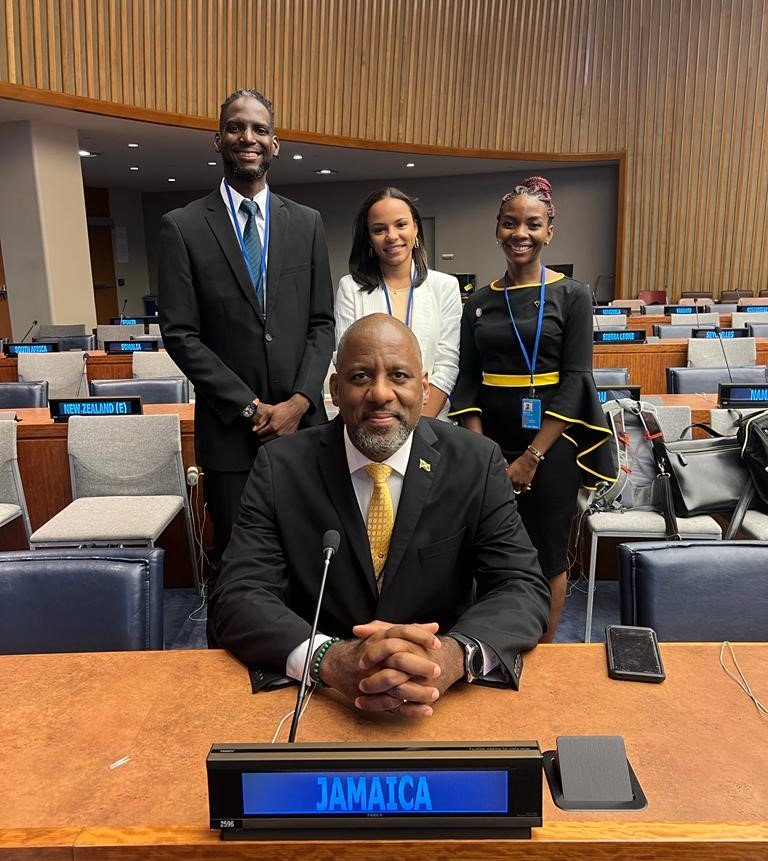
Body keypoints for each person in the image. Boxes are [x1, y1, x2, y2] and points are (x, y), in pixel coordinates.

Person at [209, 314, 550, 718]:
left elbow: (521, 585)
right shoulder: (280, 467)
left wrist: (453, 657)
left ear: (425, 388)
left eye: (399, 376)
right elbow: (238, 594)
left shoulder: (476, 462)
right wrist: (327, 659)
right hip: (319, 701)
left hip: (441, 699)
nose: (381, 394)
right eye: (361, 377)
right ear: (335, 390)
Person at [157, 88, 335, 598]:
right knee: (238, 563)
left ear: (275, 144)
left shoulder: (307, 223)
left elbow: (322, 323)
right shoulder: (183, 227)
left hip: (303, 429)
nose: (247, 137)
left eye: (259, 129)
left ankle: (304, 643)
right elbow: (181, 334)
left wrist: (299, 403)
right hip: (231, 435)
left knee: (308, 556)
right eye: (236, 127)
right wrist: (250, 407)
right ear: (218, 140)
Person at [448, 176, 616, 641]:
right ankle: (493, 643)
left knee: (547, 553)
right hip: (489, 442)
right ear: (497, 229)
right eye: (510, 223)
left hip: (552, 445)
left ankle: (545, 651)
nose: (520, 233)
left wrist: (531, 456)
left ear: (549, 232)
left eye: (532, 224)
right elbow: (468, 379)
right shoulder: (480, 300)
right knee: (488, 549)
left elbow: (576, 379)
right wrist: (483, 452)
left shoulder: (572, 294)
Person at [334, 187, 461, 421]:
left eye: (400, 225)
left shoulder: (445, 286)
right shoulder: (350, 288)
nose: (391, 236)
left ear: (416, 228)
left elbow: (447, 365)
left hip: (430, 420)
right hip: (373, 416)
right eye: (379, 229)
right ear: (369, 238)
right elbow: (346, 361)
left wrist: (418, 426)